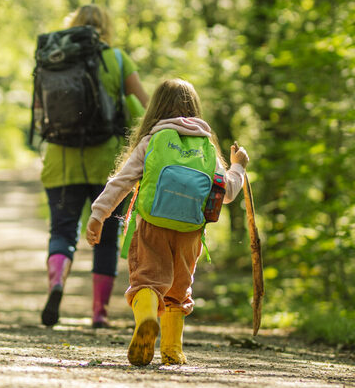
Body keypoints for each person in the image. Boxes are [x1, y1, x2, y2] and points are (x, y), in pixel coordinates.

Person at [85, 78, 249, 366]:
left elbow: (121, 182)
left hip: (152, 225)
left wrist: (99, 215)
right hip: (190, 232)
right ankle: (172, 350)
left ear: (156, 109)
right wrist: (238, 166)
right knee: (178, 288)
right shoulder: (206, 147)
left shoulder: (152, 141)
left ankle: (147, 318)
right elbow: (228, 193)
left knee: (147, 279)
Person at [38, 5, 150, 328]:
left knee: (62, 230)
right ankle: (99, 312)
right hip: (108, 165)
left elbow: (39, 110)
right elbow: (146, 105)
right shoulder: (116, 59)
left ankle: (57, 282)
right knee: (108, 234)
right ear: (106, 27)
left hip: (60, 162)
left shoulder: (53, 60)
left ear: (71, 26)